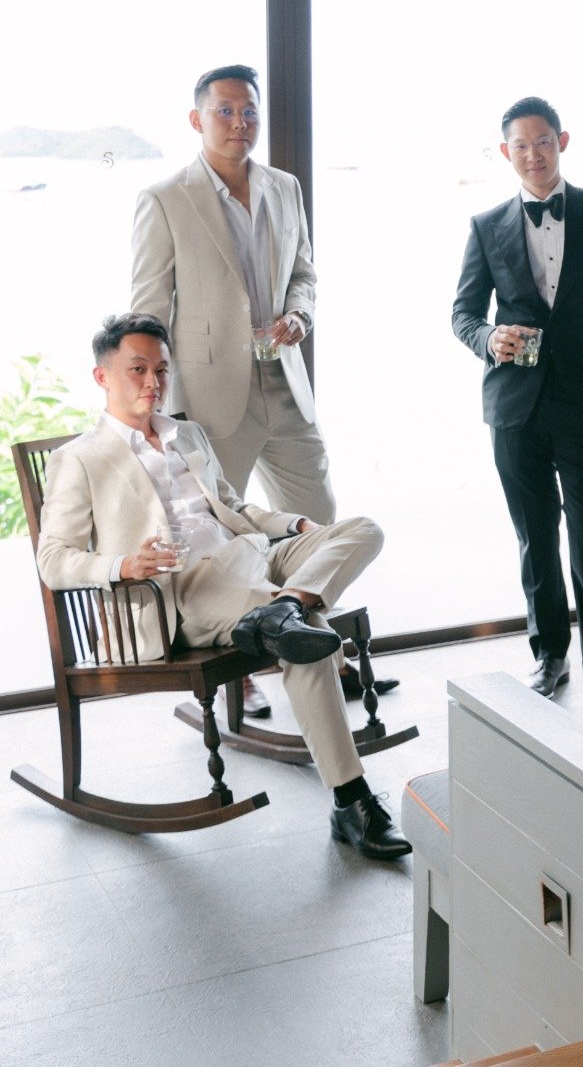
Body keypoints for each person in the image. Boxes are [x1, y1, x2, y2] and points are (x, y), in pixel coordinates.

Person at [35, 314, 409, 862]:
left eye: (161, 370)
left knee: (362, 530)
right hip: (181, 588)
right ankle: (351, 801)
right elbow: (53, 560)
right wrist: (123, 565)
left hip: (255, 556)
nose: (152, 383)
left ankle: (284, 609)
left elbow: (234, 510)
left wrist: (294, 526)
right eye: (137, 369)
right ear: (102, 377)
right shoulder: (81, 458)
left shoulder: (187, 434)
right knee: (309, 634)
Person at [131, 66, 391, 714]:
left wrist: (298, 315)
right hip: (210, 395)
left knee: (323, 520)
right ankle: (232, 667)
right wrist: (154, 404)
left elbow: (303, 272)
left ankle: (320, 649)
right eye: (225, 111)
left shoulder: (285, 187)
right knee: (216, 536)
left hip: (285, 383)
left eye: (249, 111)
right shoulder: (167, 198)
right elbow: (148, 309)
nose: (240, 123)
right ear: (197, 120)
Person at [452, 97, 583, 734]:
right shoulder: (485, 226)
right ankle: (549, 656)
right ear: (506, 152)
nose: (533, 154)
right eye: (520, 146)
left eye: (543, 142)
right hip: (514, 407)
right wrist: (490, 341)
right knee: (535, 535)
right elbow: (463, 314)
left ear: (561, 141)